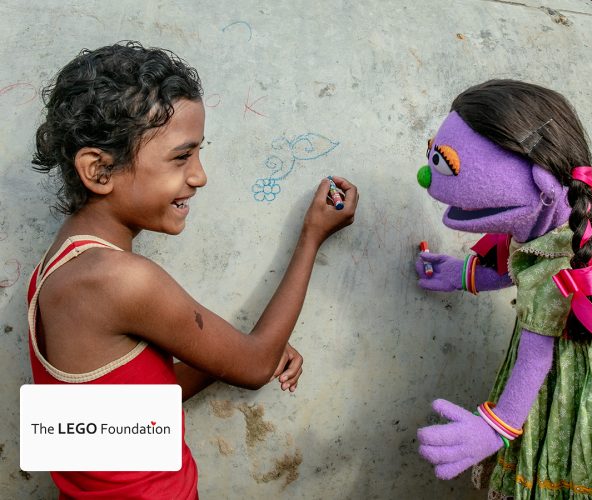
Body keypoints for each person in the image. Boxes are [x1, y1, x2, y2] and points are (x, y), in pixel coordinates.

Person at [28, 41, 358, 499]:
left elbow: (103, 419)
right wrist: (312, 237)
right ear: (99, 170)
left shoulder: (60, 266)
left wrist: (219, 355)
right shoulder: (122, 279)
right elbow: (257, 366)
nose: (199, 175)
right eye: (182, 157)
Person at [414, 80, 592, 498]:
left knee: (584, 457)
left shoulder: (563, 270)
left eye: (446, 164)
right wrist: (465, 274)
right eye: (433, 155)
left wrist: (494, 429)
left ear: (542, 184)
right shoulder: (569, 213)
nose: (427, 175)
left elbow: (534, 358)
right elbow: (525, 257)